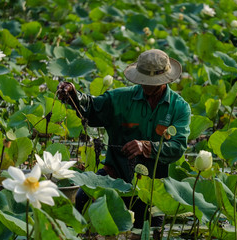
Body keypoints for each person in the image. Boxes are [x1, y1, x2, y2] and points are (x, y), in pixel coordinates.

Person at [57, 49, 191, 229]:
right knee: (82, 198)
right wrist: (73, 94)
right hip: (115, 177)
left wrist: (146, 146)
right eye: (143, 79)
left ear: (165, 80)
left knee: (152, 229)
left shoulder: (179, 108)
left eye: (151, 81)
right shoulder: (120, 98)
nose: (146, 84)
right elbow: (91, 107)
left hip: (152, 188)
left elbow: (178, 147)